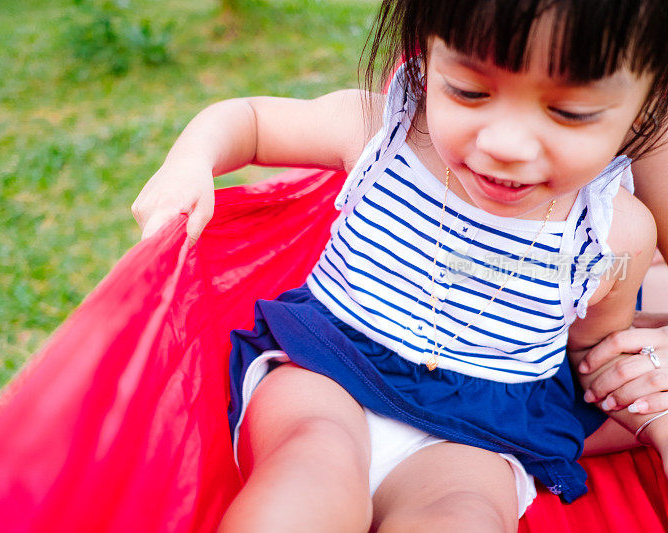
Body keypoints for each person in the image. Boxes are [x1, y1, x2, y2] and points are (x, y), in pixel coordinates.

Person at [132, 1, 668, 530]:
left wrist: (648, 414)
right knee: (310, 467)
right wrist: (191, 162)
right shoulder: (382, 133)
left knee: (464, 517)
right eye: (469, 91)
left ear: (642, 110)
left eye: (569, 112)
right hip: (329, 368)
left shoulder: (614, 235)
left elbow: (594, 355)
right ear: (429, 59)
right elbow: (250, 120)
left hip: (474, 430)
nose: (505, 144)